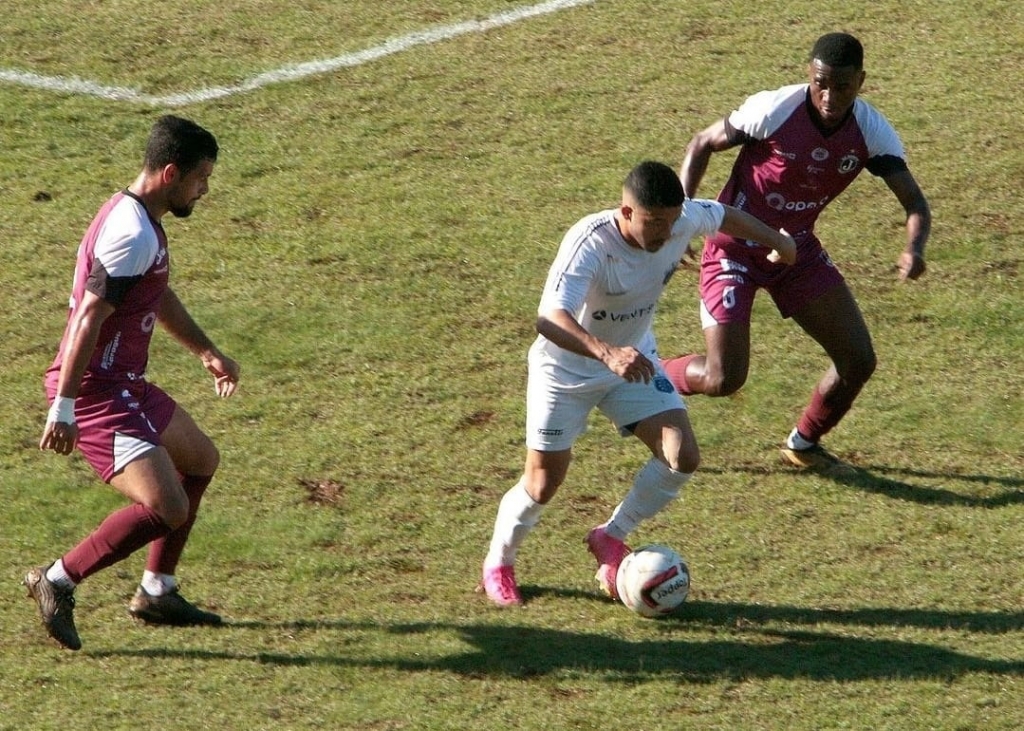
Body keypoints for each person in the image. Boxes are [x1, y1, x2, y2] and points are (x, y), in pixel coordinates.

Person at [479, 160, 797, 606]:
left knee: (681, 455)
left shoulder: (681, 219)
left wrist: (777, 240)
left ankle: (611, 536)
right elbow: (549, 319)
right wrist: (606, 353)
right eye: (653, 223)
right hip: (566, 373)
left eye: (671, 223)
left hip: (634, 360)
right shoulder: (590, 244)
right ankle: (499, 561)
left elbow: (725, 215)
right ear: (626, 212)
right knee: (542, 483)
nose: (665, 234)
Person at [660, 32, 931, 472]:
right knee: (723, 377)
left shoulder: (870, 130)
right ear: (809, 72)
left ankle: (803, 444)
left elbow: (914, 202)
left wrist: (913, 249)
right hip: (734, 250)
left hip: (795, 252)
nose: (829, 95)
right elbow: (701, 144)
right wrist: (682, 220)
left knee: (858, 359)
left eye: (842, 86)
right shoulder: (775, 109)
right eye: (821, 82)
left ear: (861, 81)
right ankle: (652, 374)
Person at [24, 115, 240, 651]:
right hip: (98, 394)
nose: (205, 190)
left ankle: (157, 590)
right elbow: (88, 319)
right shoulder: (132, 233)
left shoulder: (137, 217)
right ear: (171, 173)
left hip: (124, 385)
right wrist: (65, 407)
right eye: (201, 179)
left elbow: (156, 294)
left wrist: (206, 350)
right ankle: (56, 579)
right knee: (167, 507)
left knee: (201, 461)